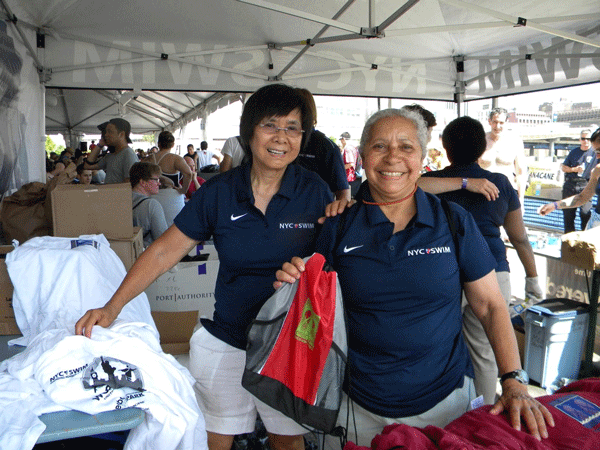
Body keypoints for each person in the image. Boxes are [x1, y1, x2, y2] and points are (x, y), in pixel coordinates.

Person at [75, 83, 334, 450]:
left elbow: (330, 270)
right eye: (270, 125)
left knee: (287, 440)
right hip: (227, 336)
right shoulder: (220, 192)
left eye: (292, 127)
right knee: (213, 438)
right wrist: (111, 307)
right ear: (248, 132)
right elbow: (164, 252)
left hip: (288, 344)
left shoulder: (316, 192)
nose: (281, 138)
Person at [275, 108, 554, 446]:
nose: (393, 156)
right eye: (379, 146)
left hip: (445, 405)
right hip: (355, 407)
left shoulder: (453, 221)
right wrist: (292, 284)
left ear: (423, 157)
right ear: (362, 157)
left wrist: (512, 380)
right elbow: (313, 308)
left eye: (406, 147)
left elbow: (492, 307)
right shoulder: (337, 225)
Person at [420, 116, 543, 404]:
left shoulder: (435, 182)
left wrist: (461, 183)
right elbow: (519, 238)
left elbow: (412, 185)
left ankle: (444, 413)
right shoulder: (499, 183)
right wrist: (533, 278)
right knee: (485, 354)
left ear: (446, 149)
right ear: (481, 149)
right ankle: (484, 417)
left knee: (438, 348)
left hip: (442, 273)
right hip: (493, 273)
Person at [294, 88, 350, 201]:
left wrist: (336, 216)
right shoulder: (280, 142)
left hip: (315, 214)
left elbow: (343, 191)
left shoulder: (326, 147)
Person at [539, 128, 600, 229]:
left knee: (585, 213)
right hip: (596, 222)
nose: (597, 157)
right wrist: (554, 205)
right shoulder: (597, 170)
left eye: (599, 152)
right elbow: (582, 197)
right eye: (596, 152)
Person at [143, 130, 192, 226]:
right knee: (173, 229)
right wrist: (183, 190)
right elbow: (188, 174)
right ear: (173, 144)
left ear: (158, 144)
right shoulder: (175, 159)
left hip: (152, 197)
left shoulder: (148, 159)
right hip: (172, 199)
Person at [478, 107, 526, 203]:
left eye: (501, 123)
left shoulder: (515, 141)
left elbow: (520, 173)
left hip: (506, 192)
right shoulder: (480, 140)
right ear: (489, 121)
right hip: (483, 194)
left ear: (507, 122)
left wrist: (521, 200)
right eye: (495, 122)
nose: (498, 126)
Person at [559, 129, 596, 233]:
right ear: (580, 140)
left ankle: (584, 241)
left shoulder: (595, 152)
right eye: (583, 139)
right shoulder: (574, 152)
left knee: (585, 213)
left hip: (586, 184)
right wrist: (574, 169)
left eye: (588, 139)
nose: (586, 141)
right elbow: (563, 167)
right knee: (568, 215)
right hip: (571, 184)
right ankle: (569, 243)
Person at [83, 118, 139, 184]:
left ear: (121, 135)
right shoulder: (110, 156)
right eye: (106, 132)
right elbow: (87, 166)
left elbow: (129, 185)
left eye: (110, 132)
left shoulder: (128, 154)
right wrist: (100, 145)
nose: (106, 135)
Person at [129, 162, 169, 247]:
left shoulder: (121, 199)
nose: (159, 183)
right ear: (143, 182)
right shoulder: (152, 205)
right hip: (145, 255)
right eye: (156, 180)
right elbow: (164, 241)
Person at [340, 131, 362, 197]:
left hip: (348, 177)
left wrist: (340, 168)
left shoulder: (347, 149)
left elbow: (350, 163)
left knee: (346, 198)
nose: (341, 142)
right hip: (353, 176)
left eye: (341, 140)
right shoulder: (354, 147)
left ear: (343, 139)